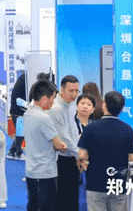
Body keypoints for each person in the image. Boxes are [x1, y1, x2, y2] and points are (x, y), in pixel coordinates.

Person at [78, 91, 133, 211]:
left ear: (104, 105)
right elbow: (132, 157)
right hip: (118, 182)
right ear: (121, 109)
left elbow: (82, 155)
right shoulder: (127, 129)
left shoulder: (90, 128)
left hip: (95, 182)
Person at [23, 80, 66, 211]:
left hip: (31, 171)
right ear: (44, 99)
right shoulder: (44, 118)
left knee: (33, 205)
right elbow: (58, 144)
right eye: (52, 98)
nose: (53, 102)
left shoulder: (27, 114)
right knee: (46, 206)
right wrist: (63, 146)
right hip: (45, 172)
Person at [48, 75, 81, 211]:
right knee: (62, 198)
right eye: (71, 90)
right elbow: (63, 137)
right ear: (62, 89)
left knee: (73, 197)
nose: (74, 94)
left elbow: (73, 130)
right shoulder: (56, 108)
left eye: (76, 90)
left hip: (72, 156)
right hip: (61, 159)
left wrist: (78, 153)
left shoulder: (71, 104)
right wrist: (79, 154)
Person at [7, 71, 26, 160]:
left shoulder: (22, 79)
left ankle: (13, 151)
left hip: (15, 110)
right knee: (20, 134)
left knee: (20, 133)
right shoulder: (25, 80)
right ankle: (16, 153)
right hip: (19, 111)